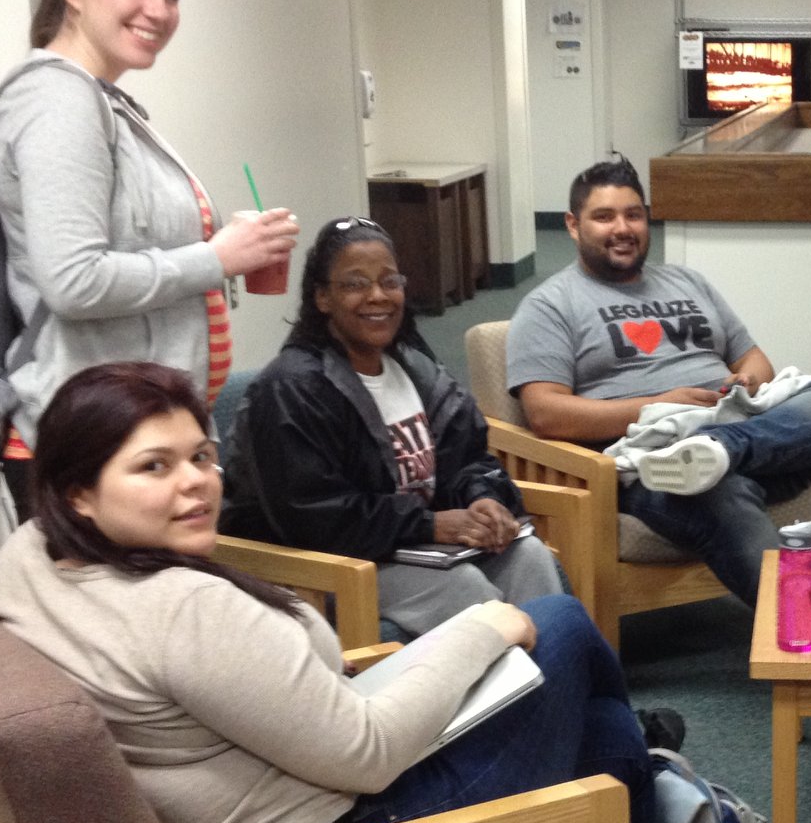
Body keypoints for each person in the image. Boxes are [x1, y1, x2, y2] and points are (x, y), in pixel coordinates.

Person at [0, 361, 757, 823]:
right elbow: (367, 753)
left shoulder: (28, 562)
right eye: (152, 467)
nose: (193, 483)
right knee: (557, 625)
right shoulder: (178, 609)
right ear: (79, 493)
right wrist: (486, 623)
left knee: (601, 726)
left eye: (201, 456)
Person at [0, 0, 301, 510]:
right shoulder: (59, 103)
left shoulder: (103, 101)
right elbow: (73, 281)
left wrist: (219, 246)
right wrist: (215, 259)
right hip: (94, 448)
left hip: (140, 439)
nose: (157, 9)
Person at [505, 156, 811, 605]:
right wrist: (660, 402)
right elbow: (545, 412)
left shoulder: (686, 281)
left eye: (633, 215)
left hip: (737, 427)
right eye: (604, 216)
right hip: (654, 463)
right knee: (715, 489)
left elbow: (754, 359)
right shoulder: (549, 305)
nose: (622, 228)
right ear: (573, 225)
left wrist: (745, 380)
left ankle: (721, 449)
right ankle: (806, 635)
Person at [220, 218, 561, 636]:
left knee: (528, 557)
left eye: (389, 281)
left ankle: (565, 689)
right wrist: (430, 525)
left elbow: (467, 457)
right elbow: (313, 517)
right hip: (333, 563)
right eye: (355, 284)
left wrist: (482, 497)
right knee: (464, 589)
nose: (377, 296)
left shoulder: (415, 366)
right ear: (323, 297)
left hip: (415, 545)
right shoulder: (292, 389)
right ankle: (519, 699)